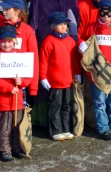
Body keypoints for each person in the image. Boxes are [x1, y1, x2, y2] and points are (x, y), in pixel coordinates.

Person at [77, 0, 111, 140]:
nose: (106, 16)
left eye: (109, 13)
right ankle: (103, 128)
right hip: (96, 73)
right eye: (103, 12)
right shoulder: (91, 27)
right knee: (99, 102)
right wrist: (81, 44)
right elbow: (81, 38)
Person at [0, 25, 31, 161]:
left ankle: (16, 147)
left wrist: (22, 81)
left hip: (18, 100)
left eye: (9, 41)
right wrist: (8, 88)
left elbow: (28, 76)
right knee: (4, 126)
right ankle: (4, 149)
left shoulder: (21, 57)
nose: (6, 44)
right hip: (3, 99)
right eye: (3, 41)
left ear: (15, 42)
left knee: (17, 126)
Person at [0, 0, 39, 99]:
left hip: (20, 82)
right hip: (1, 83)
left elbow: (34, 60)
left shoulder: (27, 30)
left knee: (18, 113)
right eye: (3, 9)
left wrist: (33, 88)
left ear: (17, 11)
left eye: (7, 9)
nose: (3, 12)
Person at [39, 12, 80, 141]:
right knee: (55, 106)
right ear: (53, 26)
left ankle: (66, 128)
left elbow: (75, 60)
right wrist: (42, 77)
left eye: (65, 24)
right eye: (60, 24)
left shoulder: (70, 41)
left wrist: (77, 74)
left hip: (68, 81)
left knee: (66, 106)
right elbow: (43, 61)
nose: (64, 27)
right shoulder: (48, 41)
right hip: (54, 81)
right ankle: (55, 130)